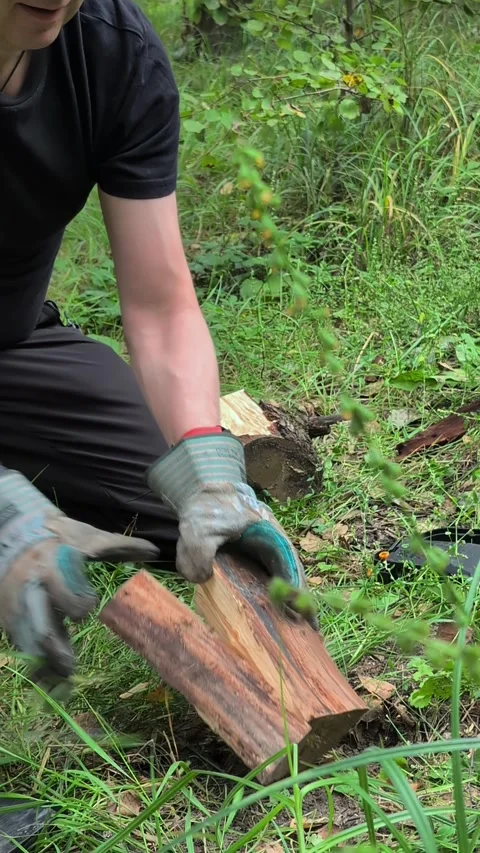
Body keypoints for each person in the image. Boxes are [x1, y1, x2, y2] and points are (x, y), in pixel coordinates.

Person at [0, 0, 314, 687]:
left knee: (179, 510)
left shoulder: (111, 52)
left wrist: (209, 472)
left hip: (14, 349)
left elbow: (160, 305)